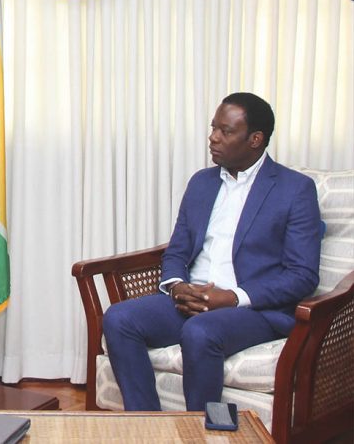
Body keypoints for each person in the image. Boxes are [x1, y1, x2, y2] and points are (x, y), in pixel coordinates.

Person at [102, 92, 321, 411]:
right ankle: (147, 424)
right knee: (119, 318)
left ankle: (198, 432)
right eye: (213, 127)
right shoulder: (201, 183)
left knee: (200, 332)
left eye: (226, 131)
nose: (213, 137)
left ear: (255, 139)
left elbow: (302, 275)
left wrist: (232, 297)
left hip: (252, 310)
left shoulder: (294, 189)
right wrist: (177, 286)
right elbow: (176, 250)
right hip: (190, 300)